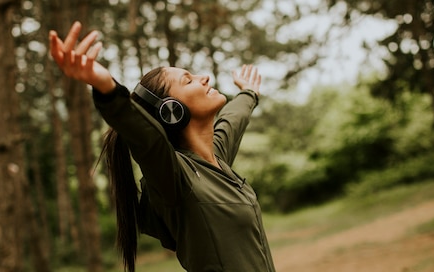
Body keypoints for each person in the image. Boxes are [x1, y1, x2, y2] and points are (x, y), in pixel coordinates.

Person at [49, 21, 276, 272]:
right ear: (172, 111)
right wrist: (107, 89)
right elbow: (146, 138)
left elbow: (232, 120)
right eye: (188, 81)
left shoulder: (215, 162)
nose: (204, 78)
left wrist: (248, 93)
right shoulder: (175, 177)